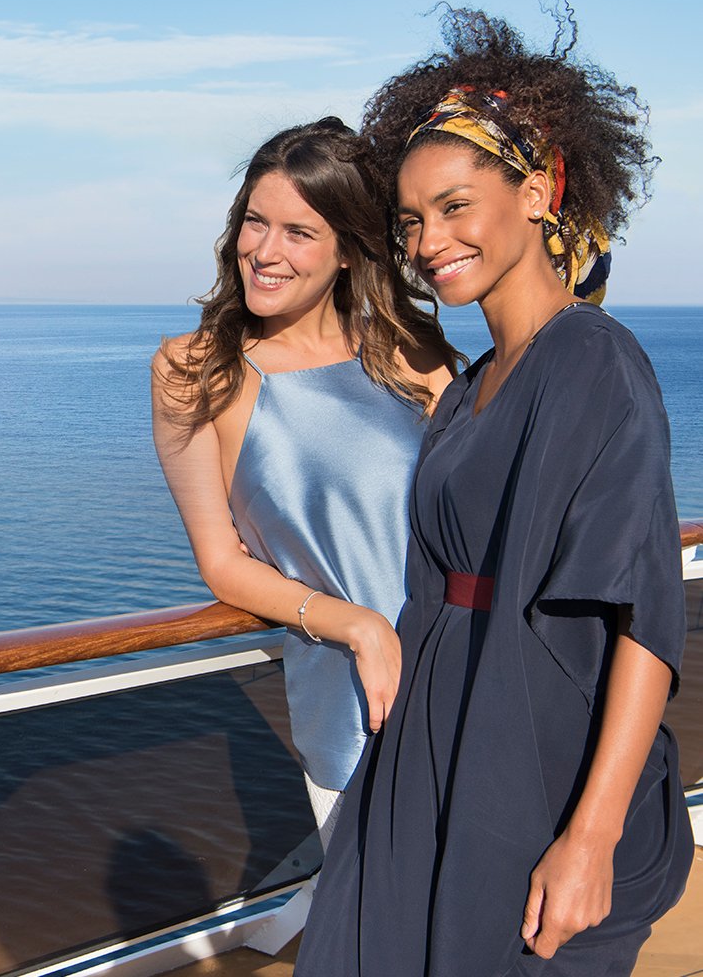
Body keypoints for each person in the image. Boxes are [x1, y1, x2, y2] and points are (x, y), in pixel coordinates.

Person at [296, 6, 692, 976]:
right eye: (413, 220)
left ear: (543, 188)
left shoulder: (594, 361)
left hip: (536, 751)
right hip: (439, 738)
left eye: (457, 205)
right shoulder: (472, 384)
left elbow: (642, 612)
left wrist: (590, 837)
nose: (431, 241)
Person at [151, 119, 457, 946]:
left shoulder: (412, 353)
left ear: (349, 249)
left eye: (298, 230)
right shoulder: (195, 369)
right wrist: (355, 623)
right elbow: (221, 562)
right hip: (355, 692)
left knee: (470, 927)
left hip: (466, 671)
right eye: (255, 220)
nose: (265, 250)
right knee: (388, 931)